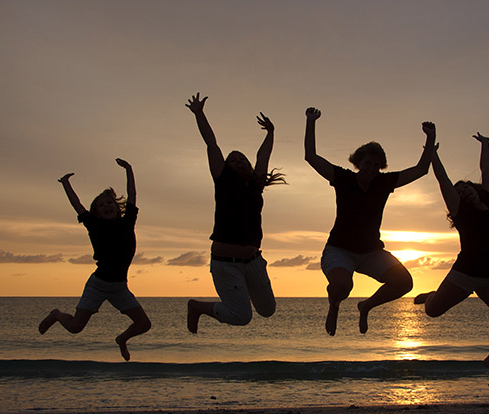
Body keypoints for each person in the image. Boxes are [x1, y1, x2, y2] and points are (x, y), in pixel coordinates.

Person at [304, 107, 434, 336]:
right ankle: (334, 306)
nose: (372, 169)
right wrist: (311, 121)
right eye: (368, 163)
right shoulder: (343, 178)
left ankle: (366, 306)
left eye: (376, 165)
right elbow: (311, 157)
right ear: (358, 162)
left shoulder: (384, 183)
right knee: (341, 287)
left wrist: (430, 138)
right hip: (339, 250)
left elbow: (421, 170)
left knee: (404, 283)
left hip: (372, 252)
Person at [416, 133, 489, 380]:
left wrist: (486, 143)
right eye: (459, 191)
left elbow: (487, 169)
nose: (464, 192)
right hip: (464, 274)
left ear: (475, 189)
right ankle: (432, 296)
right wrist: (433, 152)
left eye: (466, 188)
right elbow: (442, 180)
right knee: (432, 312)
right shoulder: (461, 211)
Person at [185, 92, 284, 333]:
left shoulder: (255, 185)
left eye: (242, 158)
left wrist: (271, 133)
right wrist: (199, 114)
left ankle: (241, 289)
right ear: (226, 166)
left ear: (249, 166)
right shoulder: (223, 180)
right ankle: (197, 307)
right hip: (225, 263)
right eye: (232, 159)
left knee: (268, 310)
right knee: (241, 317)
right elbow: (211, 143)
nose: (237, 160)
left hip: (253, 261)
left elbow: (264, 156)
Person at [38, 159, 151, 362]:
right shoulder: (94, 225)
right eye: (101, 205)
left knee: (144, 324)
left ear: (117, 207)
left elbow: (132, 194)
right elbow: (77, 204)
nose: (106, 206)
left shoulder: (128, 222)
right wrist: (65, 183)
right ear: (96, 212)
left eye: (109, 203)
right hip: (98, 285)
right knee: (74, 328)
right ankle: (56, 314)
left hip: (119, 287)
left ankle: (122, 339)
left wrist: (129, 169)